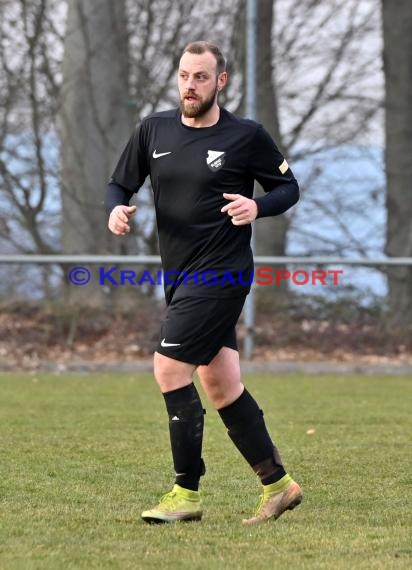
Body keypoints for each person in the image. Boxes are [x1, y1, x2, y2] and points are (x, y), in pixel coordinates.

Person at [105, 41, 302, 525]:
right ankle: (279, 485)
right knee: (221, 383)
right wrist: (115, 208)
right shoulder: (154, 129)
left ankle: (185, 493)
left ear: (221, 81)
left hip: (223, 272)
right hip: (180, 275)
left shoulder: (245, 136)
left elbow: (288, 187)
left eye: (200, 77)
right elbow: (119, 183)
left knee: (170, 370)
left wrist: (258, 206)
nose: (189, 86)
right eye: (184, 76)